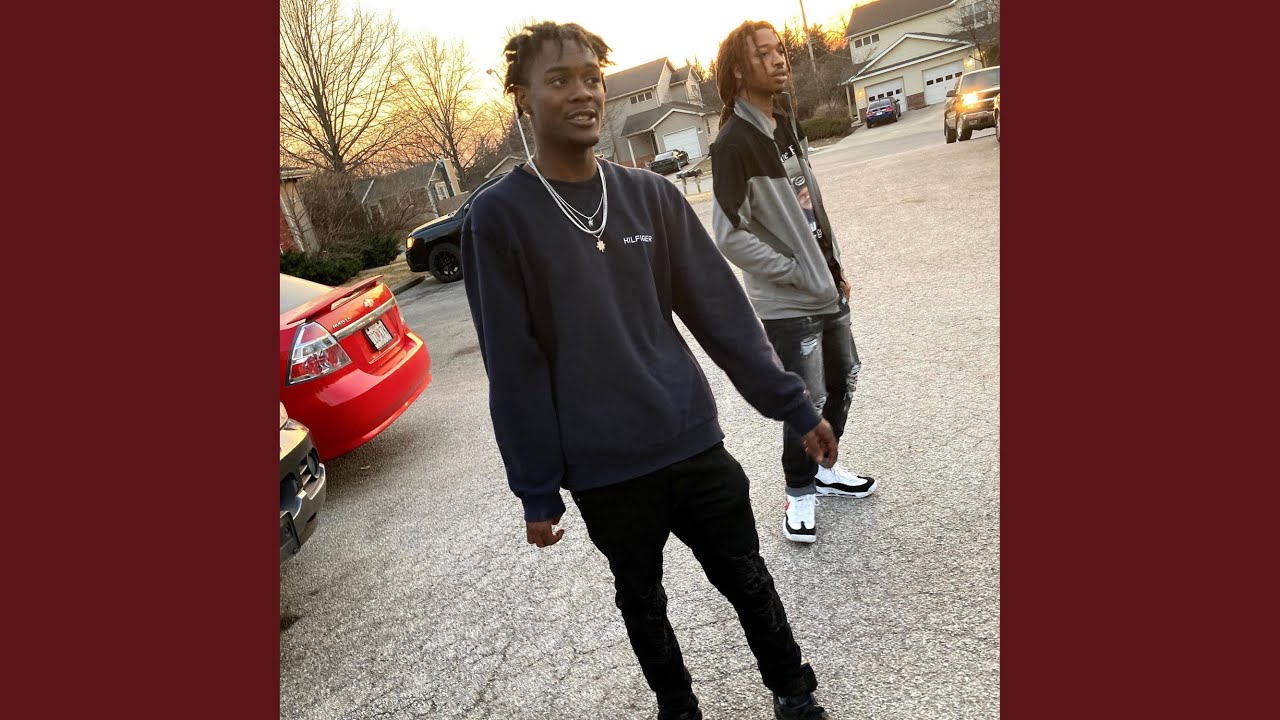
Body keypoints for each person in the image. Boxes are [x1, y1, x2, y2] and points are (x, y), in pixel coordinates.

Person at [461, 20, 838, 720]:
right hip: (604, 467)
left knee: (746, 576)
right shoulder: (499, 217)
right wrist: (536, 487)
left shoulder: (651, 197)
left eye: (591, 78)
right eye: (559, 80)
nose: (583, 93)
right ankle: (678, 707)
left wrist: (793, 405)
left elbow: (722, 314)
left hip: (690, 436)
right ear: (522, 98)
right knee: (641, 599)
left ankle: (794, 690)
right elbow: (513, 364)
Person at [710, 20, 879, 545]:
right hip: (788, 304)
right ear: (740, 70)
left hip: (825, 286)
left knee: (845, 378)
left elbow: (809, 204)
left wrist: (832, 266)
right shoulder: (733, 143)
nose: (779, 59)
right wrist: (794, 270)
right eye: (764, 54)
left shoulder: (784, 120)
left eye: (779, 49)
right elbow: (728, 235)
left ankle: (824, 469)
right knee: (806, 400)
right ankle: (798, 492)